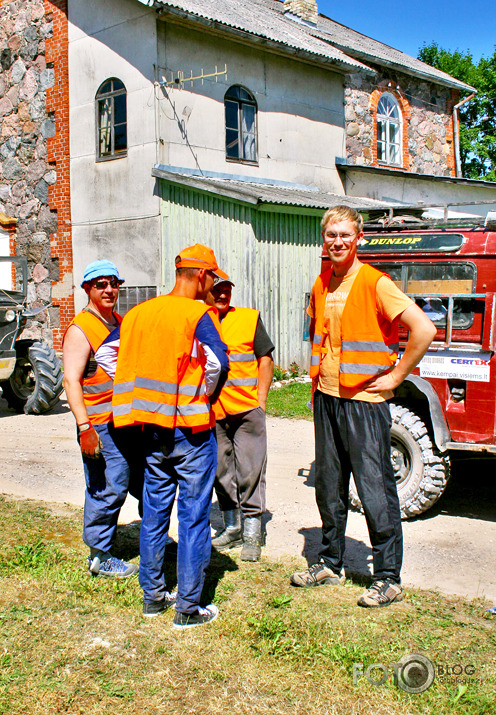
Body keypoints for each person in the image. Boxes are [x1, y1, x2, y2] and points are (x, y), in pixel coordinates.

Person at [291, 206, 436, 607]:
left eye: (344, 235)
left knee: (375, 489)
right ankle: (330, 563)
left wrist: (395, 377)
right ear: (324, 240)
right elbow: (319, 338)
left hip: (365, 401)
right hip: (328, 397)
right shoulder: (322, 283)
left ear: (358, 239)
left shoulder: (376, 282)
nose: (336, 242)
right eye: (330, 235)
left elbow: (424, 329)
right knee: (329, 486)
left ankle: (388, 576)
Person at [112, 244, 229, 629]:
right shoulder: (198, 314)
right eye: (212, 278)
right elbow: (216, 363)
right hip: (190, 432)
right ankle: (188, 608)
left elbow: (107, 357)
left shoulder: (138, 314)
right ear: (200, 276)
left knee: (154, 513)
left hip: (150, 429)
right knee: (194, 516)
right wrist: (200, 394)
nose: (212, 287)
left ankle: (152, 598)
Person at [63, 260, 143, 578]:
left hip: (124, 419)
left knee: (136, 479)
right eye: (100, 284)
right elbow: (71, 381)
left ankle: (150, 537)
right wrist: (84, 428)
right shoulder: (81, 329)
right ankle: (99, 556)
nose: (109, 289)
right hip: (97, 423)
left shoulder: (117, 322)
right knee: (107, 485)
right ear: (87, 289)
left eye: (113, 283)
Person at [206, 279, 274, 561]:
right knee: (221, 471)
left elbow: (266, 359)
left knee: (250, 470)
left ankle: (251, 534)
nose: (223, 294)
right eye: (217, 289)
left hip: (247, 411)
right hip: (212, 412)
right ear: (207, 292)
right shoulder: (199, 321)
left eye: (227, 289)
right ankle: (232, 527)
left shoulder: (248, 318)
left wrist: (260, 400)